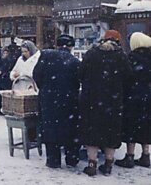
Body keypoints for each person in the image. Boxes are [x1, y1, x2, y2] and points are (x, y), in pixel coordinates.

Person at [79, 30, 131, 176]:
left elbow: (81, 73)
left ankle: (92, 164)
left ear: (102, 39)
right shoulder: (121, 56)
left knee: (92, 131)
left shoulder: (91, 54)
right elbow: (128, 77)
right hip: (113, 101)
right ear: (117, 41)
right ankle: (108, 164)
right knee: (111, 132)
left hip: (92, 100)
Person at [33, 34, 81, 169]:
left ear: (57, 45)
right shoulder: (75, 62)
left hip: (49, 99)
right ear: (71, 47)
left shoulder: (46, 56)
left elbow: (36, 75)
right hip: (69, 100)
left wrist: (46, 88)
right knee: (70, 129)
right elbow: (79, 81)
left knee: (50, 129)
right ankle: (72, 158)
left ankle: (53, 159)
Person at [115, 32, 151, 168]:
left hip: (132, 95)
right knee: (146, 125)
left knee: (131, 125)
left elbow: (125, 77)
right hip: (148, 95)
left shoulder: (130, 58)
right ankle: (146, 155)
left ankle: (130, 156)